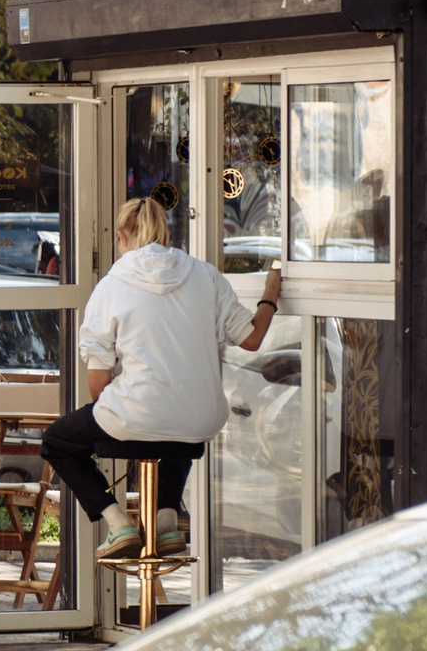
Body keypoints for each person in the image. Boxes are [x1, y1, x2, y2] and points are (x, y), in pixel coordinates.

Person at [42, 197, 282, 559]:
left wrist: (114, 410)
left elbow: (98, 380)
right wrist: (270, 297)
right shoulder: (205, 274)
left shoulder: (112, 284)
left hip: (138, 416)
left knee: (58, 442)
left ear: (122, 236)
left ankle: (118, 524)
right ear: (167, 233)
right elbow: (251, 338)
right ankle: (166, 521)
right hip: (199, 423)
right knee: (178, 416)